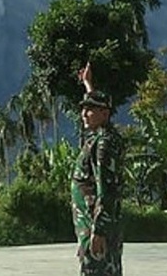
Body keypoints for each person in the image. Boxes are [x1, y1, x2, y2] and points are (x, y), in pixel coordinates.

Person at [71, 63, 124, 276]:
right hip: (91, 225)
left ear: (105, 114)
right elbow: (94, 100)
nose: (84, 113)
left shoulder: (103, 144)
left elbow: (106, 187)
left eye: (90, 109)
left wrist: (98, 231)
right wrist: (88, 83)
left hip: (96, 225)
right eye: (83, 109)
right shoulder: (100, 135)